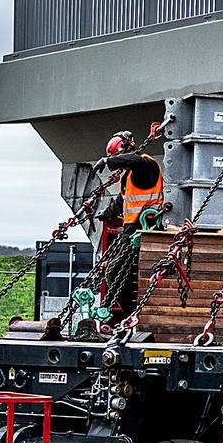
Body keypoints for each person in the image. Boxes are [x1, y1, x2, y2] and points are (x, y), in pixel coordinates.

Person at [87, 131, 167, 328]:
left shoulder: (145, 165)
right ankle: (128, 314)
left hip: (144, 228)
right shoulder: (130, 176)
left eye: (118, 158)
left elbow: (135, 160)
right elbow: (123, 199)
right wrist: (107, 213)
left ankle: (128, 315)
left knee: (115, 271)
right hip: (130, 229)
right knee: (115, 270)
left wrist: (107, 162)